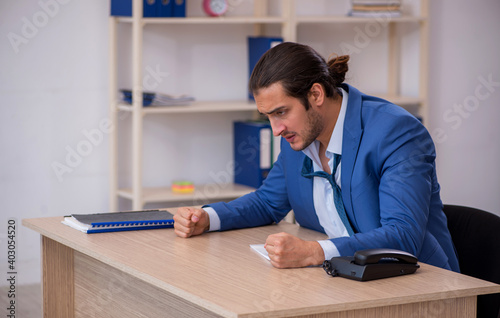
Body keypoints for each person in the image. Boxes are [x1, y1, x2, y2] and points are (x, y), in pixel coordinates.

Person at [174, 42, 459, 272]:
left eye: (281, 112)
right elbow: (267, 203)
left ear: (316, 94)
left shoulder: (396, 132)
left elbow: (402, 235)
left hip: (421, 288)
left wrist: (313, 252)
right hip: (345, 282)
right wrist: (208, 218)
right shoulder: (299, 137)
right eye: (268, 116)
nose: (275, 130)